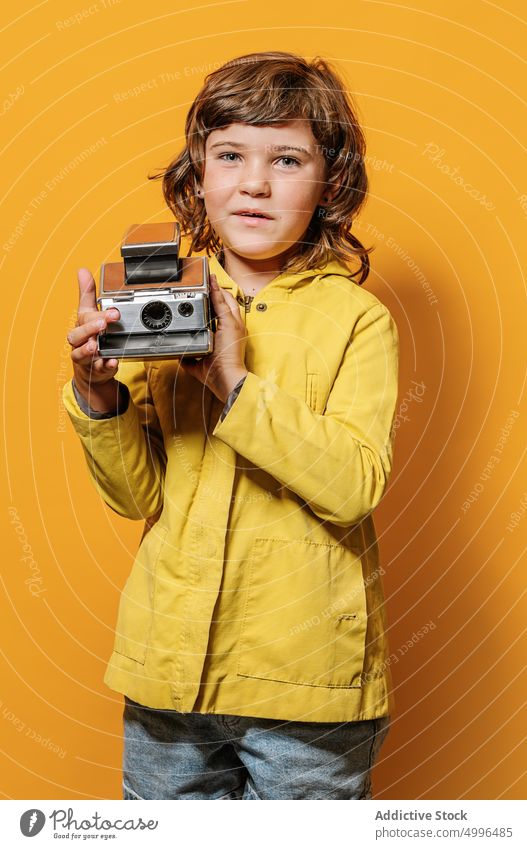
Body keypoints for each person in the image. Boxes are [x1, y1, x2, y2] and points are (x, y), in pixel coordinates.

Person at [62, 50, 400, 800]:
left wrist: (233, 381)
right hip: (167, 670)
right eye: (230, 156)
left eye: (286, 159)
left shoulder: (357, 320)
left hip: (305, 678)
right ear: (199, 172)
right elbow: (136, 494)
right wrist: (97, 395)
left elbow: (351, 485)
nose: (253, 183)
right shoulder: (160, 305)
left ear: (330, 181)